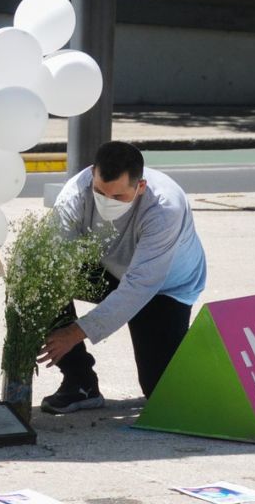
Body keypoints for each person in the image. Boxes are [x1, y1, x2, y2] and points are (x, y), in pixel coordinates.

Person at [36, 141, 207, 413]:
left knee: (163, 392)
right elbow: (54, 259)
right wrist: (42, 311)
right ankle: (80, 383)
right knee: (40, 280)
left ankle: (203, 356)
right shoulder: (76, 192)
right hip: (107, 269)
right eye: (100, 192)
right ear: (92, 174)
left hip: (163, 287)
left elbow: (139, 286)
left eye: (118, 198)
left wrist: (75, 332)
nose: (106, 202)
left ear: (140, 187)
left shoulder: (165, 209)